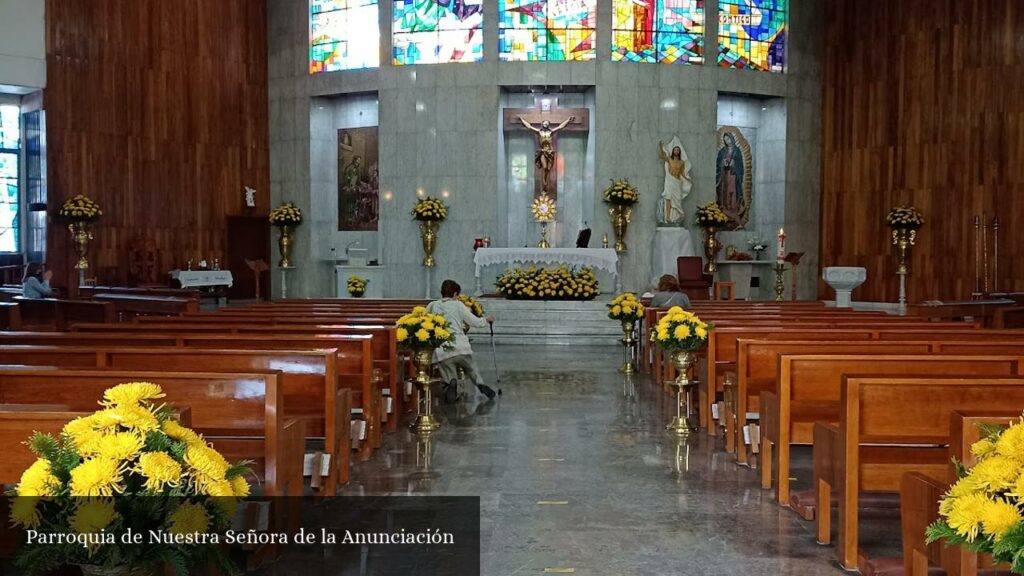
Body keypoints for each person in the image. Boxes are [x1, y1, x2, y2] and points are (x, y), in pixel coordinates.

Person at [426, 280, 497, 402]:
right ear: (455, 293)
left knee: (448, 370)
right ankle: (480, 383)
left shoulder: (433, 305)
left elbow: (424, 321)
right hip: (461, 347)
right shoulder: (458, 305)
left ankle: (451, 383)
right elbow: (474, 321)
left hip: (443, 348)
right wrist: (486, 320)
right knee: (471, 368)